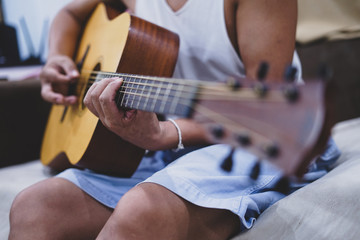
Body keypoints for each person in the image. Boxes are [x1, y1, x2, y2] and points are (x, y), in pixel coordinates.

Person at [8, 0, 340, 239]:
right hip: (175, 144)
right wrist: (59, 56)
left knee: (142, 210)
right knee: (34, 207)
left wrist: (167, 133)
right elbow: (70, 13)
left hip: (270, 138)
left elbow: (265, 107)